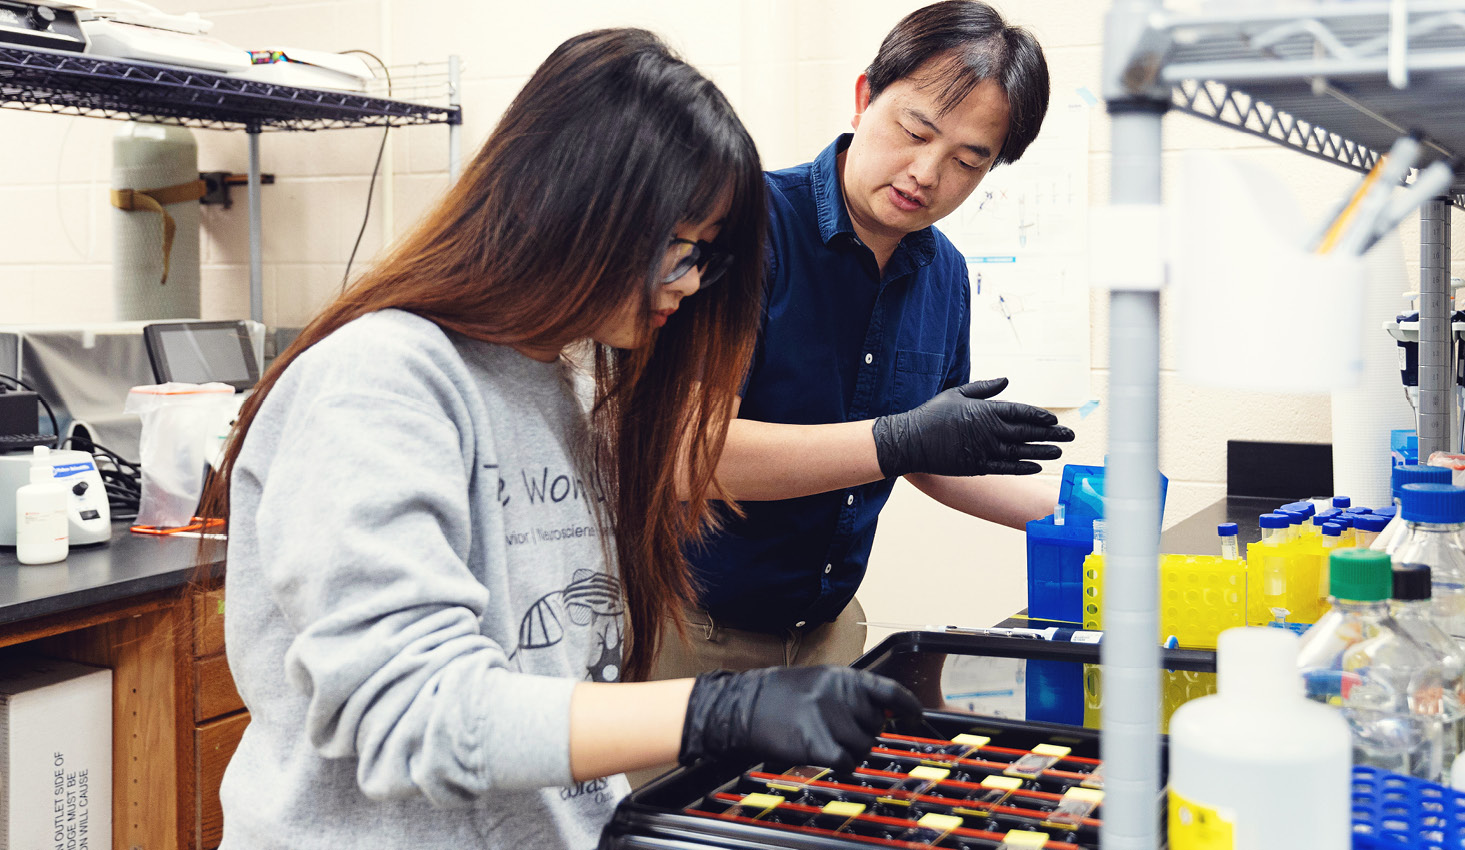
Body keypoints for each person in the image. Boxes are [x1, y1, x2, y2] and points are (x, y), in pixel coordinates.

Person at [198, 30, 920, 850]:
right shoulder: (380, 379)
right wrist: (717, 710)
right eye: (679, 249)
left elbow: (560, 689)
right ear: (577, 206)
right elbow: (412, 715)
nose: (687, 284)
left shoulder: (569, 388)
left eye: (705, 259)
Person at [661, 0, 1066, 677]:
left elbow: (926, 450)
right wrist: (895, 440)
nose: (927, 174)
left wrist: (1071, 515)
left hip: (830, 635)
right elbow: (687, 455)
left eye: (968, 161)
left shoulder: (944, 273)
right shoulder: (746, 226)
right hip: (692, 632)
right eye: (915, 130)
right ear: (864, 96)